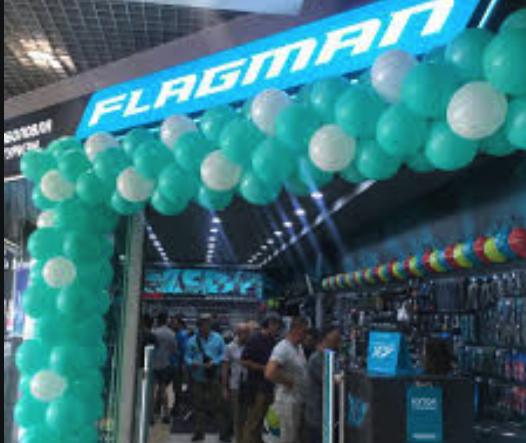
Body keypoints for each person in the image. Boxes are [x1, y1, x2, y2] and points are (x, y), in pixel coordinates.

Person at [265, 316, 310, 443]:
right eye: (304, 331)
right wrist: (287, 381)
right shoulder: (282, 348)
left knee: (294, 438)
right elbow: (269, 372)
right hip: (286, 402)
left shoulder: (298, 348)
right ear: (296, 329)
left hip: (297, 400)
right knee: (286, 438)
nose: (306, 335)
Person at [185, 313, 228, 442]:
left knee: (218, 406)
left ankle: (223, 433)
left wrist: (214, 362)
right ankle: (199, 432)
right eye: (204, 323)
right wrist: (191, 362)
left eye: (208, 323)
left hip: (213, 376)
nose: (206, 326)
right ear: (199, 325)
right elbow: (187, 356)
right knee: (198, 406)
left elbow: (223, 354)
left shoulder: (218, 338)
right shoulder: (192, 340)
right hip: (198, 377)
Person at [241, 313, 283, 443]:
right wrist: (263, 368)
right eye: (276, 325)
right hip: (256, 387)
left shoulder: (272, 340)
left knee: (261, 421)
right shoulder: (255, 339)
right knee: (253, 421)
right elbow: (244, 361)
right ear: (269, 324)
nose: (277, 328)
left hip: (268, 386)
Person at [304, 326, 342, 443]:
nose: (338, 342)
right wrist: (342, 378)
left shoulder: (332, 357)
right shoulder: (316, 359)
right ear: (326, 338)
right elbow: (330, 380)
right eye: (335, 338)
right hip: (318, 417)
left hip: (328, 416)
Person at [222, 322, 251, 443]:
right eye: (244, 333)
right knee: (237, 417)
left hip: (250, 386)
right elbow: (225, 369)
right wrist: (224, 388)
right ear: (238, 333)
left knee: (248, 416)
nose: (247, 335)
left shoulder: (251, 346)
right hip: (236, 386)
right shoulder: (230, 347)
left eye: (248, 333)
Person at [152, 313, 178, 424]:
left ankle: (151, 415)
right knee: (163, 390)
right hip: (165, 364)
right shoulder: (171, 334)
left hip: (153, 364)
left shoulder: (154, 332)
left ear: (158, 320)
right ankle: (166, 414)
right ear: (166, 320)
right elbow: (174, 350)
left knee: (152, 390)